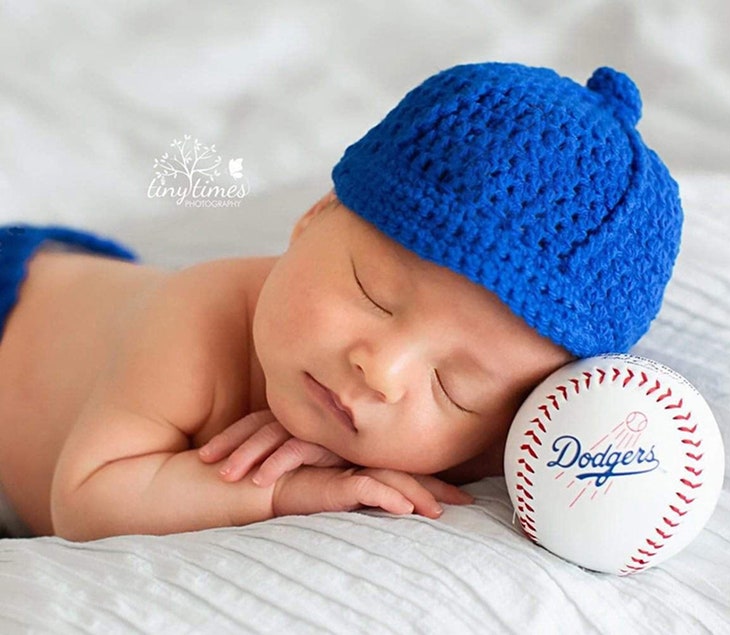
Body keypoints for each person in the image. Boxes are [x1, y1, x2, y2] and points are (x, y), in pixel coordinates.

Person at [0, 62, 682, 541]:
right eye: (373, 294)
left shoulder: (469, 444)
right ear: (314, 216)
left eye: (455, 387)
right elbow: (84, 500)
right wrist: (276, 491)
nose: (379, 369)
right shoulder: (197, 319)